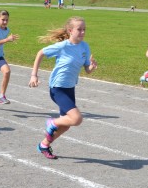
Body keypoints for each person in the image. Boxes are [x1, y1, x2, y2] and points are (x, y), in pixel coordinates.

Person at [28, 16, 97, 159]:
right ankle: (51, 122)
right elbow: (40, 53)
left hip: (70, 88)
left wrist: (91, 66)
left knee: (66, 125)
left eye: (84, 29)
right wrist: (34, 75)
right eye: (79, 29)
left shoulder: (85, 47)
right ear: (70, 30)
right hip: (57, 88)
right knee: (77, 119)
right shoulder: (63, 46)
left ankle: (44, 144)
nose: (83, 32)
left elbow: (87, 69)